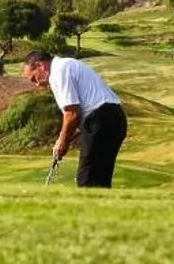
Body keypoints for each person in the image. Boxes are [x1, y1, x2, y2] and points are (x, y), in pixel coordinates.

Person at [24, 48, 127, 188]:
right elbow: (77, 117)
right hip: (115, 118)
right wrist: (66, 139)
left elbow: (72, 114)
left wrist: (62, 142)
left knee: (87, 181)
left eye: (34, 78)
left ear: (40, 66)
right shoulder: (67, 65)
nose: (37, 84)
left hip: (101, 118)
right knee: (100, 179)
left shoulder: (58, 72)